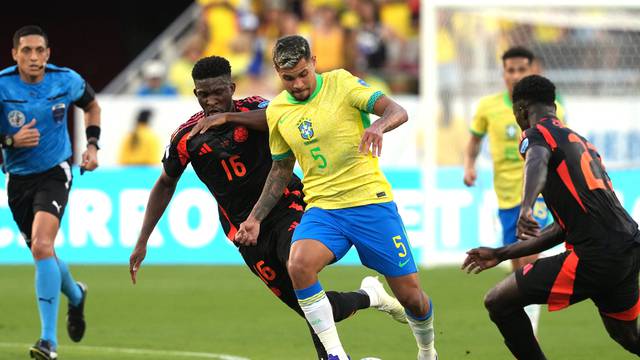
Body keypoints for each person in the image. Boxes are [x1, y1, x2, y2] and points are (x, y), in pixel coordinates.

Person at [128, 55, 406, 360]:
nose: (212, 100)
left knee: (296, 266)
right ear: (195, 94)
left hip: (289, 206)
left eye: (219, 91)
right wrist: (142, 241)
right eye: (203, 94)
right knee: (310, 306)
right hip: (244, 231)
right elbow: (165, 184)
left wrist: (229, 118)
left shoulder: (256, 108)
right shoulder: (186, 138)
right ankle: (371, 296)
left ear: (232, 87)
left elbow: (278, 116)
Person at [230, 35, 436, 360]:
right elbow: (281, 169)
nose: (297, 84)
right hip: (324, 209)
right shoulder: (279, 110)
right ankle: (336, 354)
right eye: (288, 78)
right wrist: (255, 218)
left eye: (302, 74)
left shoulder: (342, 83)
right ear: (276, 73)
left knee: (412, 298)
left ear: (313, 61)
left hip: (370, 202)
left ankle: (428, 351)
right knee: (298, 264)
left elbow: (397, 110)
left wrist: (379, 126)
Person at [462, 74, 640, 359]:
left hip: (595, 255)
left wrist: (526, 207)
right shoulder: (581, 143)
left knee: (498, 301)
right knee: (626, 336)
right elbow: (562, 228)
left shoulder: (536, 135)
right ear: (553, 106)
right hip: (628, 248)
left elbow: (536, 160)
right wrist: (501, 253)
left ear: (521, 111)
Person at [0, 25, 100, 360]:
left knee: (42, 246)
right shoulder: (3, 85)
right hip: (17, 180)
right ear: (14, 54)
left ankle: (48, 342)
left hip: (56, 172)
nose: (33, 57)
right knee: (43, 254)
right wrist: (11, 141)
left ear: (48, 53)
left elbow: (92, 106)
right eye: (26, 50)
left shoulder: (65, 80)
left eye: (39, 50)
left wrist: (92, 146)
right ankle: (75, 294)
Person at [463, 47, 565, 333]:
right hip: (506, 196)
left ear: (533, 70)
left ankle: (530, 325)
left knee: (529, 258)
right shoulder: (488, 107)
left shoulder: (550, 107)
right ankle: (525, 317)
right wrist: (469, 165)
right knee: (516, 266)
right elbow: (474, 140)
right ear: (503, 73)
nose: (516, 75)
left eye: (522, 69)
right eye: (511, 70)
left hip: (538, 195)